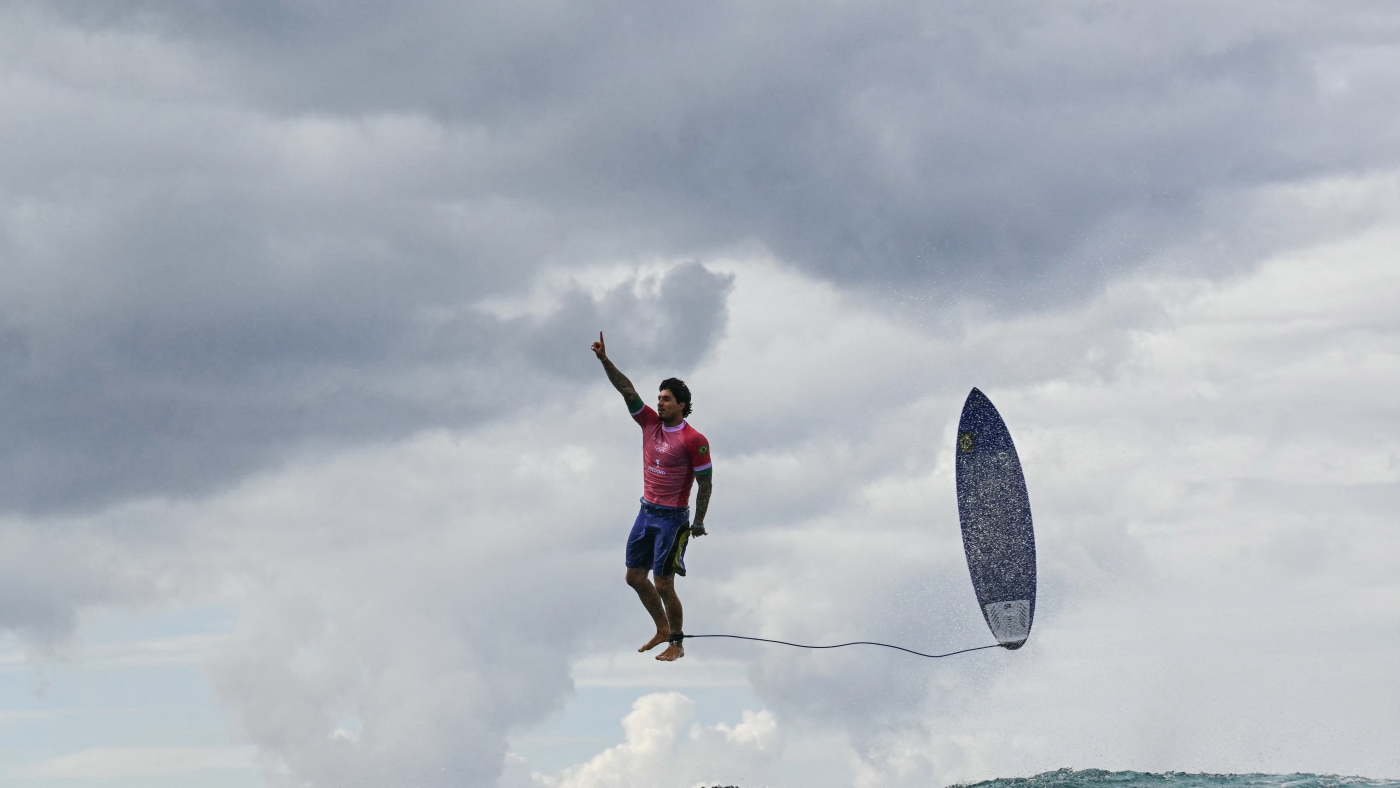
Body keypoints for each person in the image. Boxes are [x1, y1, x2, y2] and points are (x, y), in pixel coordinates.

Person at [591, 331, 712, 662]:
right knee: (634, 577)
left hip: (673, 520)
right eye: (659, 398)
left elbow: (706, 483)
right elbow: (626, 389)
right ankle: (661, 628)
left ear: (682, 405)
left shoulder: (693, 439)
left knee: (663, 583)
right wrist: (604, 360)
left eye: (666, 399)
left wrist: (698, 521)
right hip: (646, 512)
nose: (659, 403)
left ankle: (677, 641)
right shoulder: (648, 423)